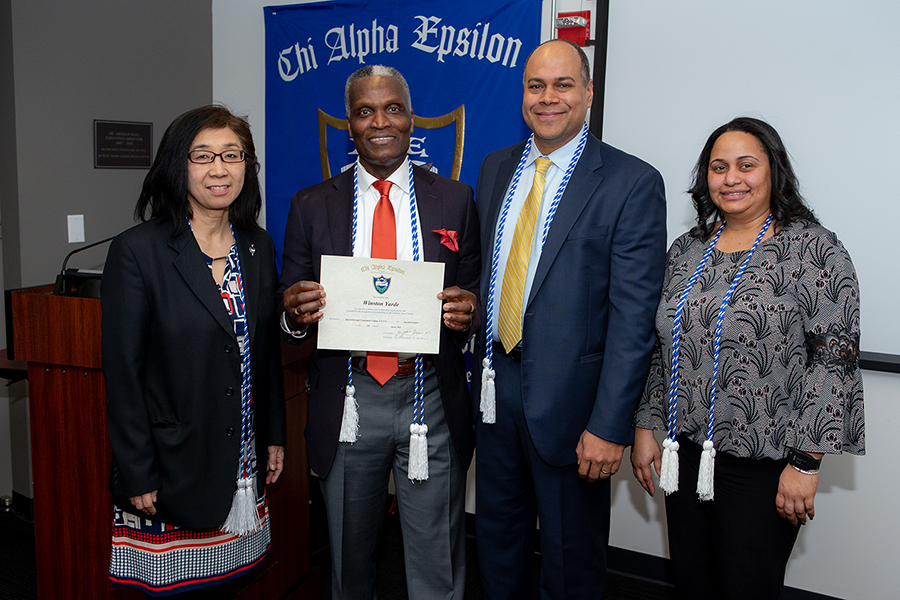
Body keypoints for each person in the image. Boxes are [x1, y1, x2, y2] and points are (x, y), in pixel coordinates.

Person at [631, 116, 865, 599]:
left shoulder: (814, 249)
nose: (731, 178)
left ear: (773, 172)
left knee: (746, 589)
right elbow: (663, 346)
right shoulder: (688, 250)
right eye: (718, 167)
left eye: (746, 165)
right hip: (685, 455)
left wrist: (806, 463)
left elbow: (833, 364)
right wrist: (645, 426)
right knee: (693, 585)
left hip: (767, 464)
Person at [472, 39, 667, 599]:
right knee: (497, 542)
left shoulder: (630, 182)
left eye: (562, 85)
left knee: (569, 558)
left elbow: (634, 320)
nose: (548, 98)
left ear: (587, 92)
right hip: (494, 392)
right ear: (523, 95)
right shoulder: (495, 167)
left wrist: (610, 425)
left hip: (574, 406)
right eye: (536, 86)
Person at [279, 65, 480, 600]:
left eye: (392, 108)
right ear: (350, 125)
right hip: (349, 397)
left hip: (427, 396)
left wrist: (468, 311)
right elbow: (287, 312)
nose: (380, 121)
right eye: (365, 112)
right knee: (349, 564)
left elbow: (474, 294)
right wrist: (293, 311)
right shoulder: (310, 204)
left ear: (412, 119)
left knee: (437, 562)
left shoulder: (456, 200)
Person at [103, 105, 286, 597]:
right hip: (171, 468)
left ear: (247, 166)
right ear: (178, 166)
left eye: (232, 154)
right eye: (202, 156)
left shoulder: (259, 247)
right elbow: (124, 373)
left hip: (241, 463)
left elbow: (262, 352)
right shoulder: (138, 252)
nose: (219, 169)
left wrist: (272, 434)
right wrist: (136, 470)